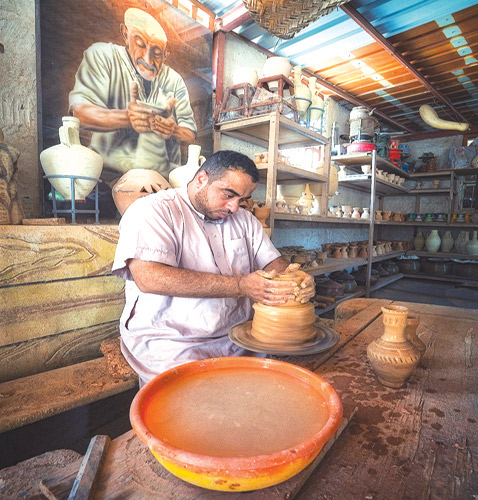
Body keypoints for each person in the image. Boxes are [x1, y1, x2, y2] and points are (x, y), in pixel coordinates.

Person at [112, 150, 315, 385]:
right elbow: (149, 277)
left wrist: (296, 278)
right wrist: (241, 285)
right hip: (171, 340)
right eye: (229, 195)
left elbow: (274, 264)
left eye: (242, 200)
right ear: (201, 180)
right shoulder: (153, 210)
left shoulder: (245, 220)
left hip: (238, 336)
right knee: (197, 400)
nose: (234, 207)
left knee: (275, 387)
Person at [69, 7, 196, 186]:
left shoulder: (174, 80)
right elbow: (79, 114)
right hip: (107, 178)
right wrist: (126, 117)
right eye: (141, 44)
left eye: (157, 52)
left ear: (166, 55)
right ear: (125, 34)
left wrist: (172, 131)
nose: (148, 58)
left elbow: (189, 135)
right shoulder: (102, 55)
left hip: (163, 184)